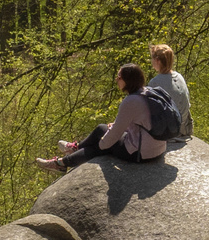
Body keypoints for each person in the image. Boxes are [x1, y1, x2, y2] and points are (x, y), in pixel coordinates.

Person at [36, 63, 166, 173]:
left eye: (119, 77)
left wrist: (102, 143)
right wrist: (111, 130)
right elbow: (142, 121)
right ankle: (75, 149)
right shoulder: (147, 92)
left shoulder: (131, 101)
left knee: (100, 146)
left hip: (141, 154)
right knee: (101, 128)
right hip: (158, 148)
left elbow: (113, 136)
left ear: (126, 80)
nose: (116, 80)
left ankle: (62, 163)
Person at [148, 43, 193, 139]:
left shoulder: (155, 83)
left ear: (157, 61)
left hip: (171, 132)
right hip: (184, 128)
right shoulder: (180, 77)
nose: (151, 61)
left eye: (152, 58)